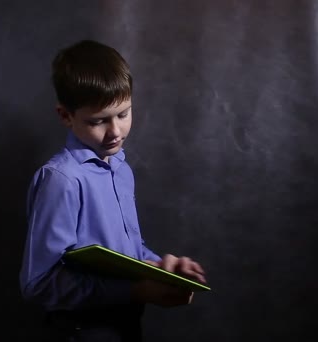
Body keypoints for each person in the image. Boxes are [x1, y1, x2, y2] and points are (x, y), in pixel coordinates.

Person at [19, 40, 207, 342]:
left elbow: (120, 254)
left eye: (123, 114)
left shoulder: (120, 167)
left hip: (127, 327)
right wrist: (137, 289)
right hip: (82, 333)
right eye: (98, 121)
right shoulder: (62, 179)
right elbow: (39, 282)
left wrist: (162, 269)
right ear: (66, 116)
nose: (115, 132)